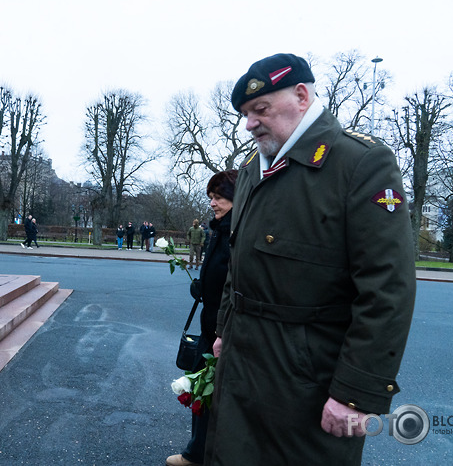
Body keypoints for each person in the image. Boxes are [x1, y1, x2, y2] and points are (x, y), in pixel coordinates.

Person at [204, 54, 416, 465]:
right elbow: (240, 263)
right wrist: (223, 328)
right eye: (246, 114)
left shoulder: (359, 163)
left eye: (259, 109)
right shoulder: (251, 170)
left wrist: (355, 395)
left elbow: (387, 289)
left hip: (308, 382)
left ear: (301, 96)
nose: (249, 123)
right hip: (243, 363)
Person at [167, 170, 237, 466]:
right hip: (211, 325)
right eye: (210, 197)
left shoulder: (237, 234)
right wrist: (201, 286)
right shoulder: (219, 230)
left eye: (219, 197)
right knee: (202, 392)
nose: (212, 203)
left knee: (211, 396)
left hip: (226, 330)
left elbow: (236, 284)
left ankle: (201, 455)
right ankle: (198, 452)